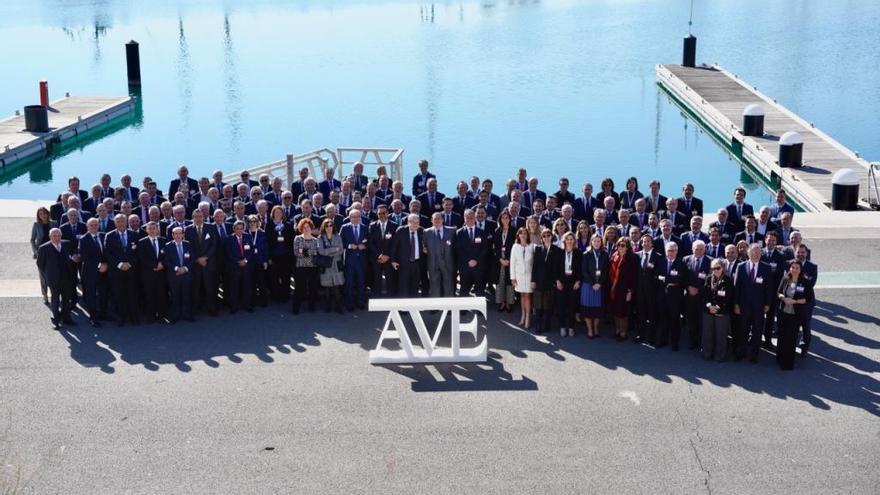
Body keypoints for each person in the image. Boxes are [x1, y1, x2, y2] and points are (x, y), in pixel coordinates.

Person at [733, 243, 773, 362]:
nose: (756, 254)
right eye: (753, 252)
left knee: (757, 331)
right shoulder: (741, 266)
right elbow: (737, 287)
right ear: (748, 253)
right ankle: (741, 352)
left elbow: (769, 288)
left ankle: (754, 355)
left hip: (759, 306)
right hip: (743, 305)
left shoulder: (766, 267)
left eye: (758, 252)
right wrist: (736, 304)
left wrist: (767, 304)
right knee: (743, 330)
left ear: (761, 254)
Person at [775, 260, 814, 370]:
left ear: (800, 270)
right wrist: (783, 298)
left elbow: (808, 298)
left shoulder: (805, 282)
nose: (794, 270)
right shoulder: (786, 278)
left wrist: (795, 301)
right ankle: (779, 358)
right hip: (783, 313)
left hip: (795, 315)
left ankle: (787, 363)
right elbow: (778, 292)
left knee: (791, 339)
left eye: (797, 268)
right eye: (792, 267)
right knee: (781, 336)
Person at [36, 228, 77, 329]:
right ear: (50, 237)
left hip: (66, 277)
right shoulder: (43, 248)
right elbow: (40, 264)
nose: (57, 238)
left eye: (59, 236)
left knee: (66, 299)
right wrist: (48, 275)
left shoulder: (67, 244)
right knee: (55, 299)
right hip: (53, 279)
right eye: (54, 236)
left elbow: (72, 255)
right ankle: (57, 320)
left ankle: (67, 318)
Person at [105, 214, 140, 326]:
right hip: (116, 271)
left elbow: (138, 252)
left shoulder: (134, 234)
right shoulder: (109, 236)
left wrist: (130, 263)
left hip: (131, 270)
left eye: (123, 221)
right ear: (115, 223)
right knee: (118, 295)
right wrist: (119, 264)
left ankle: (133, 317)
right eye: (118, 221)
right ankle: (121, 318)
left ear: (126, 222)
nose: (120, 223)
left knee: (132, 294)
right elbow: (107, 253)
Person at [656, 242, 687, 350]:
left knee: (675, 320)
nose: (670, 253)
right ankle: (663, 340)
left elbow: (679, 279)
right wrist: (669, 280)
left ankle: (675, 342)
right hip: (662, 296)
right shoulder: (660, 262)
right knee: (663, 319)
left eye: (673, 250)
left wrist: (665, 279)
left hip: (675, 298)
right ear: (665, 251)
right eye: (669, 250)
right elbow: (656, 276)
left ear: (676, 252)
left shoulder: (681, 264)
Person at [702, 258, 734, 361]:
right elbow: (705, 295)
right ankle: (707, 353)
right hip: (708, 310)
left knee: (721, 335)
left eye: (717, 268)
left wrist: (717, 307)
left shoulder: (728, 280)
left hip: (722, 312)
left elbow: (729, 297)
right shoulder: (708, 278)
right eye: (713, 268)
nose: (715, 270)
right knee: (707, 333)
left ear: (723, 268)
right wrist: (709, 306)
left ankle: (720, 356)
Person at [78, 218, 108, 326]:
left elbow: (107, 252)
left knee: (103, 293)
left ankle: (103, 314)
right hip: (90, 273)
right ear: (87, 227)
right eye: (92, 225)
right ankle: (93, 317)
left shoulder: (103, 236)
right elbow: (85, 257)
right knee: (91, 296)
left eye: (96, 225)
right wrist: (99, 265)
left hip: (104, 271)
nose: (94, 227)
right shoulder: (83, 239)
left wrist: (106, 265)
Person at [532, 227, 561, 333]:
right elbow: (534, 266)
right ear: (541, 238)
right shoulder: (538, 249)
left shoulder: (557, 250)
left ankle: (547, 323)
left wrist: (557, 280)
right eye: (544, 236)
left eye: (548, 235)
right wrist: (533, 280)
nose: (546, 238)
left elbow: (558, 267)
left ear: (552, 237)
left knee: (548, 304)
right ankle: (538, 325)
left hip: (550, 281)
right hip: (539, 280)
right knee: (538, 304)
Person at [608, 238, 638, 341]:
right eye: (619, 245)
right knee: (615, 311)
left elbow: (634, 277)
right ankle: (617, 330)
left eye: (623, 245)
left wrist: (630, 291)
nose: (621, 247)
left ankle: (623, 332)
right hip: (614, 288)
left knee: (623, 312)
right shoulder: (614, 255)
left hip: (625, 289)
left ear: (628, 247)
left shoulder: (632, 258)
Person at [683, 240, 711, 350]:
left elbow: (711, 281)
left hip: (702, 297)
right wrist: (688, 287)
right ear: (692, 249)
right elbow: (682, 277)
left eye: (701, 249)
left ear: (704, 250)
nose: (698, 251)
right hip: (689, 296)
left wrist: (698, 290)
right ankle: (692, 341)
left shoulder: (710, 261)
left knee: (701, 321)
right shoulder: (686, 260)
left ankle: (701, 342)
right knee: (690, 320)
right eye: (696, 249)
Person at [554, 232, 582, 336]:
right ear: (564, 240)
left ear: (574, 241)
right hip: (561, 281)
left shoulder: (578, 253)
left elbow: (580, 269)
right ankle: (562, 327)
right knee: (561, 305)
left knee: (572, 306)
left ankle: (571, 327)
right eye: (568, 239)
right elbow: (555, 268)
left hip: (573, 282)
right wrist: (557, 281)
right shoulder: (559, 252)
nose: (569, 241)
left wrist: (578, 281)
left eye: (571, 239)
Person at [792, 244, 818, 356]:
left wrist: (798, 280)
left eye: (802, 252)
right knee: (793, 324)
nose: (800, 254)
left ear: (806, 253)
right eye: (798, 252)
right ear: (795, 253)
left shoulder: (812, 266)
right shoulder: (790, 264)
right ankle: (792, 345)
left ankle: (804, 346)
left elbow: (811, 284)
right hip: (793, 300)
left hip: (807, 301)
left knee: (806, 325)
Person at [581, 234, 608, 338]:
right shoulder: (586, 254)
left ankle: (596, 328)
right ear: (591, 242)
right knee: (587, 309)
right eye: (594, 241)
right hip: (588, 285)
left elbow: (605, 271)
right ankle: (590, 329)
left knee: (597, 310)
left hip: (599, 286)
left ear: (601, 242)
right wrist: (593, 284)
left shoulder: (605, 255)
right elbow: (584, 271)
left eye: (598, 241)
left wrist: (599, 283)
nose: (596, 243)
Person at [635, 235, 662, 344]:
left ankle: (651, 337)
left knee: (652, 314)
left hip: (652, 291)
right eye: (644, 242)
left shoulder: (658, 256)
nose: (646, 243)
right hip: (639, 290)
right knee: (640, 313)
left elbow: (659, 273)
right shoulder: (637, 255)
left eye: (648, 241)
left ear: (652, 243)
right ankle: (641, 335)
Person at [164, 226, 194, 323]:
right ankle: (175, 316)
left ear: (183, 235)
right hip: (174, 275)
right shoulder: (168, 246)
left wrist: (185, 268)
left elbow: (192, 258)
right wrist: (177, 268)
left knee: (186, 295)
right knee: (175, 296)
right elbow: (166, 261)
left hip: (186, 274)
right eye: (175, 234)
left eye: (179, 233)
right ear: (172, 235)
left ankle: (187, 315)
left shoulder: (188, 244)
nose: (177, 236)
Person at [340, 209, 368, 310]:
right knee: (349, 283)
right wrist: (349, 246)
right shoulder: (344, 228)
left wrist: (364, 245)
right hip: (350, 260)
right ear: (350, 218)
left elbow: (369, 241)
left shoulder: (365, 228)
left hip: (361, 260)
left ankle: (361, 302)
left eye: (358, 216)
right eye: (353, 217)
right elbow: (340, 242)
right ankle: (349, 303)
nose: (356, 219)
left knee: (361, 282)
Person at [391, 214, 425, 297]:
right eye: (414, 222)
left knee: (415, 286)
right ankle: (403, 309)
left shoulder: (421, 230)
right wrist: (393, 260)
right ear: (408, 222)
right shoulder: (401, 230)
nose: (416, 224)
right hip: (404, 263)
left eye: (417, 222)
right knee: (403, 287)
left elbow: (424, 244)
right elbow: (394, 246)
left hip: (417, 263)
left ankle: (412, 308)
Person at [455, 209, 487, 296]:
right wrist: (468, 261)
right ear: (464, 218)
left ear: (475, 218)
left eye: (471, 218)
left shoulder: (481, 232)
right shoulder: (459, 233)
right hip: (465, 266)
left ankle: (479, 310)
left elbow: (484, 249)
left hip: (478, 266)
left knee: (479, 290)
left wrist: (476, 260)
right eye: (467, 218)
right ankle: (463, 309)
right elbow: (458, 250)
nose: (469, 220)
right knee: (464, 290)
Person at [225, 220, 254, 314]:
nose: (239, 231)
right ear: (234, 229)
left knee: (247, 286)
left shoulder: (248, 237)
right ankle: (234, 306)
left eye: (241, 229)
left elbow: (251, 250)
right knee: (234, 287)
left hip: (246, 265)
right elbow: (228, 253)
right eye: (237, 229)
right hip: (235, 266)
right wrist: (238, 261)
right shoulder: (229, 239)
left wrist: (245, 260)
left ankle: (247, 305)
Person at [424, 212, 456, 298]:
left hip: (447, 262)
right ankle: (435, 306)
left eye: (439, 218)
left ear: (443, 220)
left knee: (448, 284)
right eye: (435, 219)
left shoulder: (452, 231)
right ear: (431, 220)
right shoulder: (426, 232)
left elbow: (455, 247)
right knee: (434, 285)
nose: (437, 220)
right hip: (433, 262)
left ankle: (449, 307)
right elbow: (424, 246)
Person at [266, 205, 294, 302]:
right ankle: (275, 296)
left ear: (283, 214)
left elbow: (291, 241)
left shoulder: (288, 225)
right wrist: (268, 257)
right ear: (273, 214)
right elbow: (267, 242)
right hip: (274, 256)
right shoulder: (269, 225)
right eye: (276, 212)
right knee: (274, 277)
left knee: (285, 277)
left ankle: (285, 295)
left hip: (285, 255)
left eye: (280, 212)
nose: (278, 214)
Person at [317, 218, 345, 313]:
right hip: (326, 264)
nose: (329, 227)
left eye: (331, 225)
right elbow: (321, 251)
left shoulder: (338, 236)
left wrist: (329, 251)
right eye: (327, 226)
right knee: (327, 287)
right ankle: (328, 305)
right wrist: (334, 249)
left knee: (337, 286)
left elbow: (341, 250)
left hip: (336, 264)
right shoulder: (320, 237)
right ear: (323, 227)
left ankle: (338, 305)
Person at [292, 218, 319, 314]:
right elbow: (296, 252)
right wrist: (309, 252)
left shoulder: (316, 240)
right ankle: (295, 308)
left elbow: (316, 252)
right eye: (304, 227)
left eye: (308, 227)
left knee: (312, 287)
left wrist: (303, 251)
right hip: (300, 266)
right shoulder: (297, 238)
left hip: (312, 267)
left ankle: (312, 306)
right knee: (299, 287)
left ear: (311, 228)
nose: (306, 229)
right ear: (301, 228)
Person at [510, 227, 535, 329]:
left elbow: (534, 263)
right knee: (522, 295)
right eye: (521, 233)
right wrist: (513, 277)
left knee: (528, 296)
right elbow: (512, 263)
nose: (523, 235)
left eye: (525, 233)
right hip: (519, 275)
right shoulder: (515, 246)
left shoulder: (532, 246)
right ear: (518, 235)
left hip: (529, 275)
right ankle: (523, 315)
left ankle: (528, 317)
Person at [494, 209, 516, 312]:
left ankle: (509, 303)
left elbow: (516, 246)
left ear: (510, 219)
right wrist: (500, 259)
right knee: (500, 281)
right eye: (503, 217)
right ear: (500, 219)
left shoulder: (514, 230)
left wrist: (510, 260)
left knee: (509, 281)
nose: (505, 219)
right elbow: (495, 247)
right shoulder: (497, 231)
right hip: (500, 260)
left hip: (511, 259)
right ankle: (501, 302)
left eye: (507, 217)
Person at [246, 215, 269, 307]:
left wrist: (265, 260)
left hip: (259, 261)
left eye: (254, 221)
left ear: (257, 222)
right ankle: (252, 301)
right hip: (249, 262)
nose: (252, 223)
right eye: (250, 222)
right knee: (251, 283)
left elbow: (266, 248)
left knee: (261, 282)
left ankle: (263, 301)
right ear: (248, 223)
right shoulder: (245, 234)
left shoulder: (262, 233)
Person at [31, 207, 52, 304]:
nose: (43, 215)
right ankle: (45, 295)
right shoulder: (36, 225)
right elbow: (32, 240)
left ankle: (54, 294)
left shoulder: (54, 223)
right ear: (38, 216)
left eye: (44, 213)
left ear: (48, 214)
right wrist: (36, 252)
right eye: (40, 214)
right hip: (41, 254)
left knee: (53, 275)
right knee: (43, 276)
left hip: (53, 252)